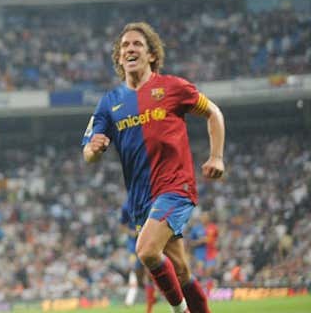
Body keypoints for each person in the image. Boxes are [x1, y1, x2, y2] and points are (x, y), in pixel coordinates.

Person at [82, 22, 226, 313]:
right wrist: (93, 149)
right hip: (140, 199)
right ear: (119, 58)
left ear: (151, 55)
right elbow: (88, 152)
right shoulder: (109, 103)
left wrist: (217, 156)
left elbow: (214, 112)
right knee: (182, 272)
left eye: (137, 44)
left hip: (175, 187)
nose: (130, 49)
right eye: (125, 46)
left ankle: (179, 311)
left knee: (147, 251)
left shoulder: (173, 87)